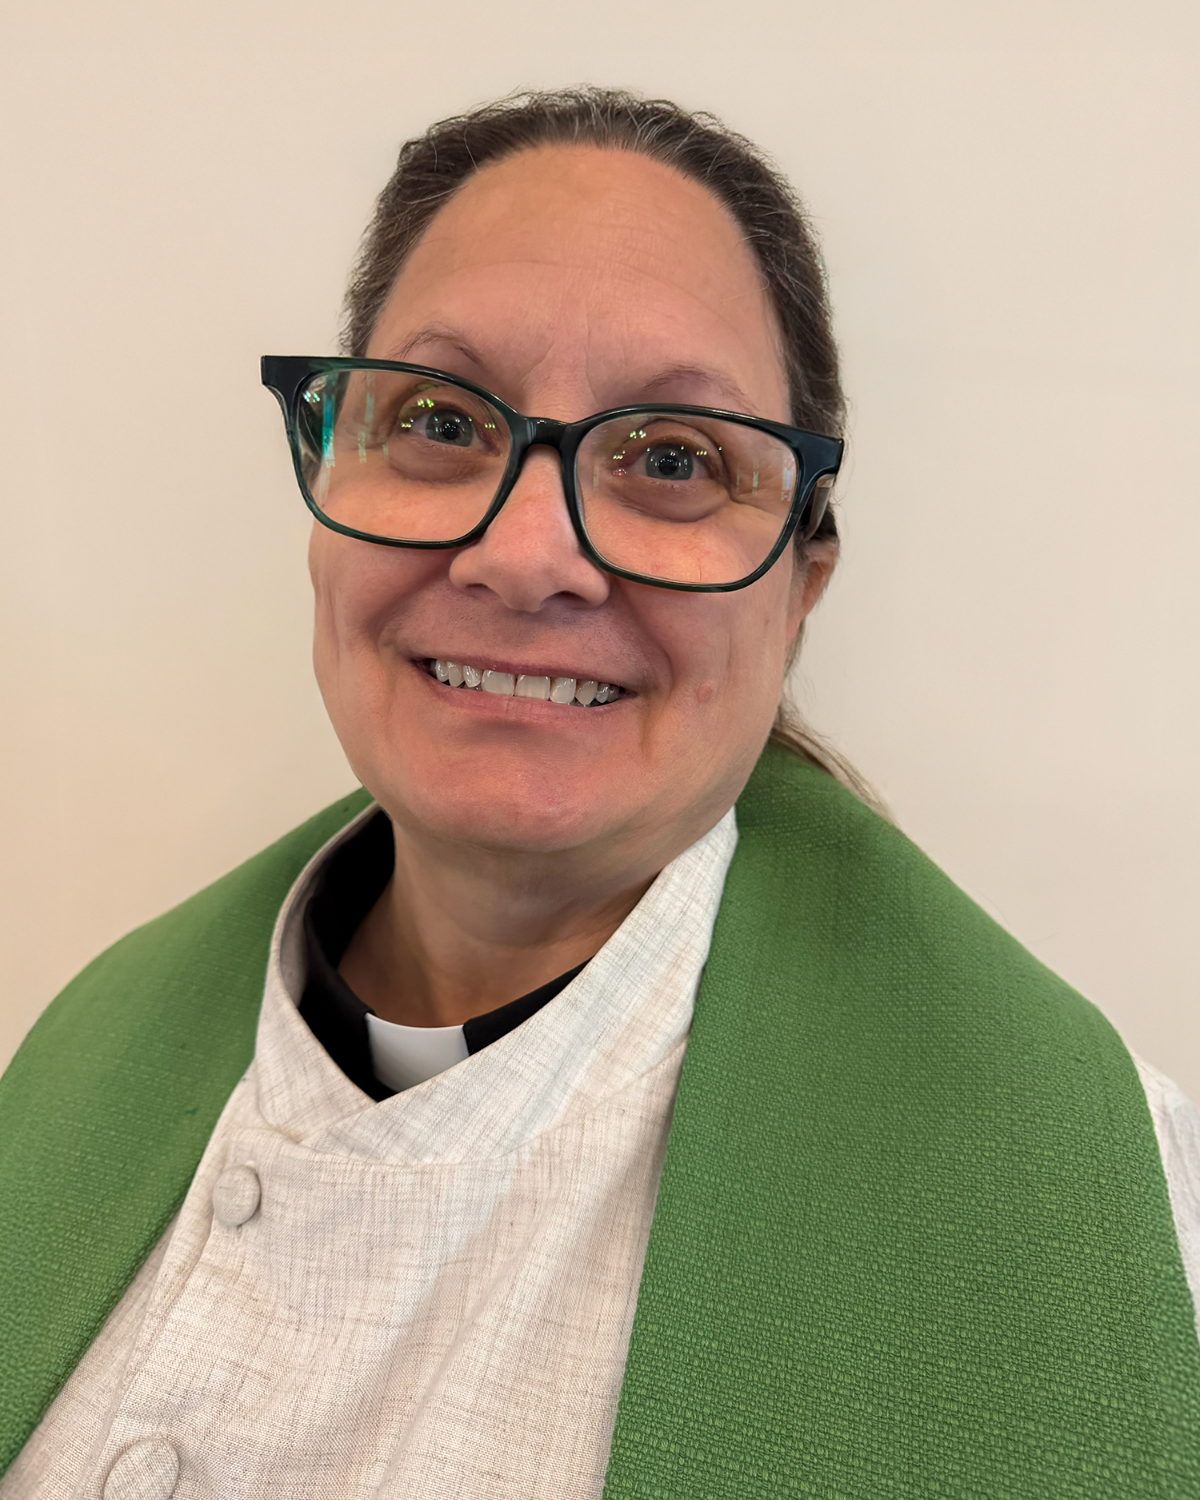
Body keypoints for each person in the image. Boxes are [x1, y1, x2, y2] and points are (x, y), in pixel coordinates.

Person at [1, 87, 1197, 1499]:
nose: (524, 555)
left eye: (674, 461)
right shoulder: (76, 1052)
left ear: (800, 585)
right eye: (440, 418)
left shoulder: (1116, 1215)